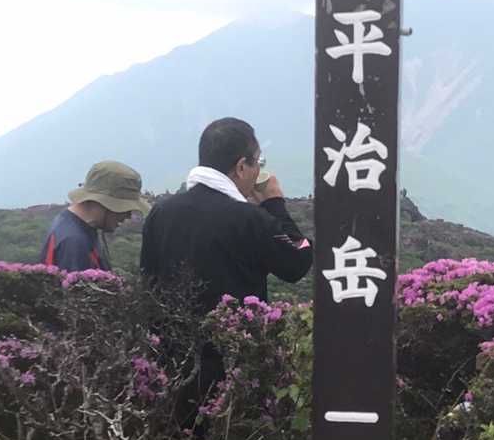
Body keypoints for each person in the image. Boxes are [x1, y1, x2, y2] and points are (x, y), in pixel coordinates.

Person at [139, 117, 311, 312]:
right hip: (232, 331)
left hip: (169, 330)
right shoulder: (249, 219)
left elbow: (147, 282)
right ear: (241, 167)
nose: (258, 170)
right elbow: (296, 264)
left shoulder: (161, 212)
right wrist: (274, 203)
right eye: (258, 162)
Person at [39, 160, 150, 270]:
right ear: (102, 202)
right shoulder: (74, 243)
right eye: (124, 208)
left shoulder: (73, 226)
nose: (128, 215)